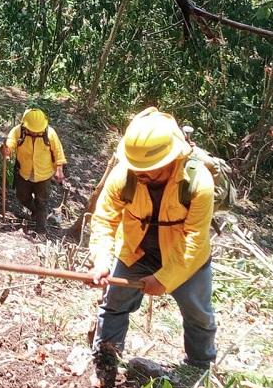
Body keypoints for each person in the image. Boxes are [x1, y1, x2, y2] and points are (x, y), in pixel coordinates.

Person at [88, 107, 216, 371]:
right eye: (137, 168)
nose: (140, 174)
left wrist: (165, 279)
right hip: (136, 252)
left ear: (172, 158)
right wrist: (101, 260)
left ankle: (200, 367)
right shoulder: (124, 175)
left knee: (198, 316)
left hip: (185, 258)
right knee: (114, 304)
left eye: (149, 169)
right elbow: (104, 219)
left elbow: (195, 240)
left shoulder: (198, 182)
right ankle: (106, 359)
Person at [0, 108, 67, 233]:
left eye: (38, 131)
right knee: (22, 197)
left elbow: (58, 153)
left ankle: (41, 229)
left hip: (44, 175)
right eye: (33, 130)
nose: (36, 133)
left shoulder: (50, 133)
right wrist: (6, 150)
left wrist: (59, 170)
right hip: (24, 173)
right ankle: (37, 213)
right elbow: (10, 143)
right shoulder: (18, 131)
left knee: (42, 202)